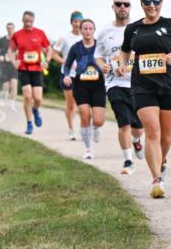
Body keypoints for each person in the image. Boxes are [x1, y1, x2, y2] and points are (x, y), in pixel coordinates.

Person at [118, 0, 171, 198]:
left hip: (169, 85)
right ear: (141, 4)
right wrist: (122, 64)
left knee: (166, 137)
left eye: (156, 1)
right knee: (152, 131)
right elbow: (125, 49)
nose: (152, 6)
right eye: (147, 2)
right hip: (143, 86)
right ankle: (157, 180)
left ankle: (161, 161)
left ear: (161, 3)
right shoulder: (133, 29)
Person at [96, 0, 145, 175]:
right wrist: (102, 65)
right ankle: (128, 160)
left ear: (130, 7)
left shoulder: (139, 29)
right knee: (123, 123)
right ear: (113, 7)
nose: (122, 7)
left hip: (137, 84)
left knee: (138, 128)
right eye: (118, 4)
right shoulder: (105, 32)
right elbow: (98, 55)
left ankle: (137, 141)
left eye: (125, 4)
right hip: (114, 83)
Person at [62, 19, 106, 160]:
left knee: (98, 120)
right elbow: (67, 65)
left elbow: (109, 61)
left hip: (98, 84)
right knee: (84, 115)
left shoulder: (100, 46)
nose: (87, 31)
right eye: (85, 29)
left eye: (90, 28)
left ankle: (96, 127)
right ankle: (88, 149)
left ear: (94, 30)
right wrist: (66, 76)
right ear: (81, 30)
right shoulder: (75, 47)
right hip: (81, 84)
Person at [9, 10, 51, 135]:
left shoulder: (40, 33)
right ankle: (29, 123)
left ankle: (35, 109)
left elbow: (49, 49)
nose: (28, 24)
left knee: (38, 98)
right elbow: (10, 51)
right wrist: (14, 62)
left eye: (31, 22)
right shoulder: (17, 35)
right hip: (24, 69)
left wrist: (47, 61)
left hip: (37, 69)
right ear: (22, 20)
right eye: (26, 21)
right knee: (27, 96)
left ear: (34, 21)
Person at [52, 12, 84, 140]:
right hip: (68, 75)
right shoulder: (64, 38)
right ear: (71, 22)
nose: (77, 24)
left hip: (83, 76)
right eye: (75, 21)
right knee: (71, 104)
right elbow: (54, 54)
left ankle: (84, 129)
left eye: (80, 21)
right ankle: (71, 129)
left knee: (82, 104)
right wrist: (65, 62)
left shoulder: (87, 36)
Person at [0, 23, 18, 110]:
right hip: (5, 65)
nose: (10, 30)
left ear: (14, 29)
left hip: (14, 65)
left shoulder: (18, 39)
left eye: (11, 28)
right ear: (6, 29)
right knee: (6, 85)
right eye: (8, 28)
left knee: (14, 85)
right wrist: (0, 55)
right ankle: (4, 91)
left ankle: (12, 104)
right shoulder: (2, 40)